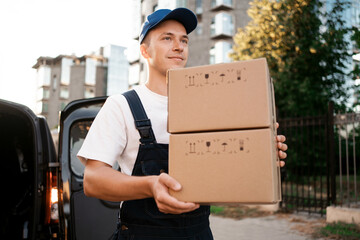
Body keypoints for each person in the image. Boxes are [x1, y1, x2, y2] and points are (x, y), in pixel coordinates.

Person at [77, 7, 288, 240]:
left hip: (199, 233)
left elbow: (223, 169)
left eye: (184, 40)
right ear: (145, 51)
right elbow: (93, 180)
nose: (179, 46)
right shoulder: (121, 105)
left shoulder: (207, 107)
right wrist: (150, 185)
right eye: (167, 38)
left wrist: (260, 156)